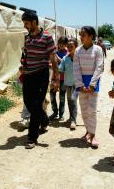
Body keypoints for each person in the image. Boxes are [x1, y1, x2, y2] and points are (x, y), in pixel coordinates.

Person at [20, 11, 60, 149]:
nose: (25, 26)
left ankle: (32, 137)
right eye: (24, 23)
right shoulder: (27, 38)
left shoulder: (47, 37)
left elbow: (53, 58)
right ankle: (43, 118)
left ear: (34, 22)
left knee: (36, 105)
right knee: (27, 101)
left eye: (26, 23)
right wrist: (23, 66)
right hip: (28, 75)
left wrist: (56, 78)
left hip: (41, 75)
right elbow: (26, 54)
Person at [73, 26, 104, 148]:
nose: (81, 37)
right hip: (81, 83)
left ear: (91, 36)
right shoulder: (77, 51)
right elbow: (76, 68)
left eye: (83, 35)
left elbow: (99, 67)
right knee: (84, 110)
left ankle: (93, 134)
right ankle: (87, 131)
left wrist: (92, 84)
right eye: (80, 35)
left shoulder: (98, 50)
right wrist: (80, 85)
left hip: (93, 83)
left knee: (92, 110)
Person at [59, 38, 78, 130]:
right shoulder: (65, 58)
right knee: (70, 101)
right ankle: (71, 117)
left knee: (73, 101)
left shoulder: (79, 58)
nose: (69, 48)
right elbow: (61, 69)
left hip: (77, 84)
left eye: (72, 46)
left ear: (76, 47)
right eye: (68, 46)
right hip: (68, 84)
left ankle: (73, 120)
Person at [49, 37, 68, 121]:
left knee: (62, 97)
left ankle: (61, 114)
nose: (61, 45)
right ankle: (54, 112)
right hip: (54, 77)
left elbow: (64, 64)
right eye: (60, 43)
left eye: (63, 44)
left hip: (63, 78)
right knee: (52, 95)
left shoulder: (67, 54)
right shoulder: (55, 52)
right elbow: (51, 63)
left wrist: (56, 58)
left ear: (66, 44)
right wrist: (51, 65)